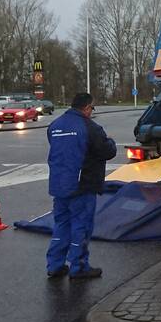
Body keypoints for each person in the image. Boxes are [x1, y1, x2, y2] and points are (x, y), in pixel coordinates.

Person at [46, 93, 117, 279]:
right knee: (81, 226)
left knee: (61, 224)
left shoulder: (55, 125)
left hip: (59, 184)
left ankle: (55, 265)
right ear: (87, 108)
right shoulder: (90, 128)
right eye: (92, 108)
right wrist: (110, 141)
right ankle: (79, 267)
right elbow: (106, 151)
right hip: (82, 185)